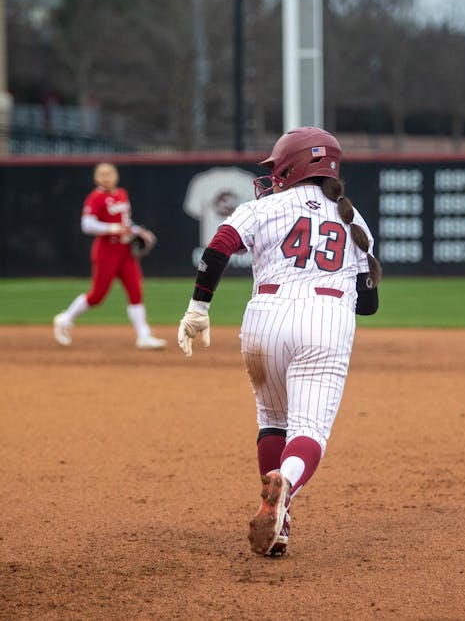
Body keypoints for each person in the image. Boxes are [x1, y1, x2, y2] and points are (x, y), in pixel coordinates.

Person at [176, 127, 381, 557]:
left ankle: (280, 520)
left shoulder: (265, 207)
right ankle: (285, 483)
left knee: (272, 418)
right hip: (325, 321)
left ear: (294, 165)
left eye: (277, 166)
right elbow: (368, 304)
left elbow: (218, 247)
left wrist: (199, 307)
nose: (272, 174)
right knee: (308, 431)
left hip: (264, 319)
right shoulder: (354, 220)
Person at [53, 162, 166, 350]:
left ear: (116, 176)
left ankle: (144, 336)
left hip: (124, 251)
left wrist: (139, 231)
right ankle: (65, 319)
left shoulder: (121, 194)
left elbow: (125, 222)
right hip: (106, 250)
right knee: (98, 295)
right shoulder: (95, 198)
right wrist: (110, 228)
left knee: (135, 291)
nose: (106, 177)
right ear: (96, 178)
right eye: (102, 174)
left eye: (109, 173)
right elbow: (86, 224)